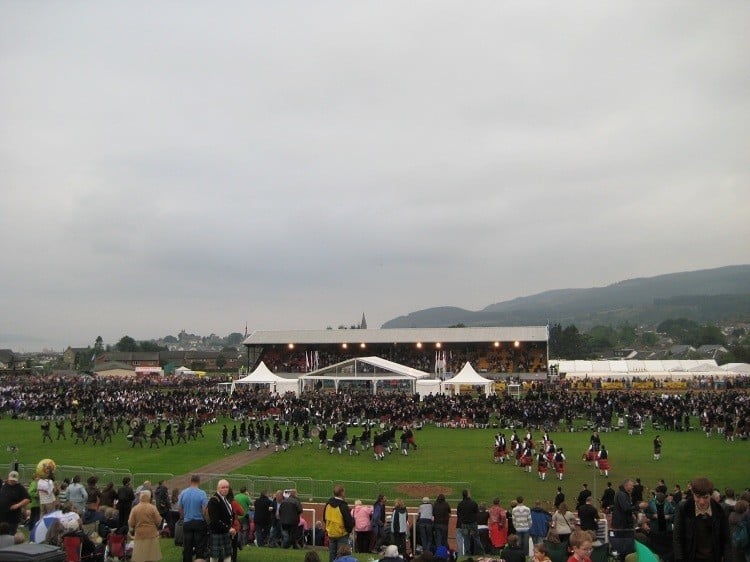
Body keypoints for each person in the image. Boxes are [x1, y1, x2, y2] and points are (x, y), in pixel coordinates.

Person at [673, 476, 730, 562]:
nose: (702, 502)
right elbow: (677, 537)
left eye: (706, 497)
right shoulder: (683, 508)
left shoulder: (720, 510)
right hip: (690, 558)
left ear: (711, 495)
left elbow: (726, 538)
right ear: (693, 493)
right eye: (698, 497)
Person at [178, 474, 208, 562]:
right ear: (199, 481)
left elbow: (180, 508)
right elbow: (204, 509)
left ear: (190, 481)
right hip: (199, 521)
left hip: (187, 521)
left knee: (187, 545)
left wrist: (183, 517)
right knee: (200, 545)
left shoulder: (183, 492)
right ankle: (199, 559)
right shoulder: (202, 493)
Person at [128, 489, 163, 562]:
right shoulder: (152, 508)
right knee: (151, 556)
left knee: (140, 556)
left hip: (139, 534)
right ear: (149, 497)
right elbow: (158, 521)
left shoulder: (135, 508)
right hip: (151, 534)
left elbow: (131, 523)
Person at [207, 479, 236, 562]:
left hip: (225, 532)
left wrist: (231, 527)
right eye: (223, 487)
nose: (225, 489)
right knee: (214, 557)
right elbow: (215, 520)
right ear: (218, 488)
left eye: (227, 487)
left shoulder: (225, 499)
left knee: (227, 555)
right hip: (217, 532)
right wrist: (228, 528)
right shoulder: (214, 500)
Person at [324, 485, 354, 562]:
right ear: (342, 493)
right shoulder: (343, 506)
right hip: (342, 534)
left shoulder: (328, 504)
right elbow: (348, 521)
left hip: (331, 533)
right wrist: (348, 531)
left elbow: (324, 517)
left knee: (332, 554)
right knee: (342, 554)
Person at [610, 478, 637, 558]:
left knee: (623, 547)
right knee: (623, 548)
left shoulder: (623, 494)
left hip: (621, 525)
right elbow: (626, 508)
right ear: (626, 485)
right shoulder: (622, 494)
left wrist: (631, 513)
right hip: (622, 526)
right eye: (631, 485)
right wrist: (638, 506)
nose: (633, 487)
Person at [0, 470, 31, 535]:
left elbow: (27, 499)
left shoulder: (20, 488)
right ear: (8, 478)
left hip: (13, 518)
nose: (12, 481)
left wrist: (17, 505)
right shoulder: (3, 485)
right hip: (2, 517)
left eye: (14, 480)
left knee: (11, 535)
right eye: (11, 479)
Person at [456, 489, 480, 555]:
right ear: (467, 495)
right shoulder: (473, 503)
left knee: (466, 539)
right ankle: (480, 552)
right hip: (470, 524)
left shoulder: (460, 504)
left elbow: (458, 514)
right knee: (475, 538)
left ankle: (466, 554)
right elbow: (476, 513)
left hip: (463, 524)